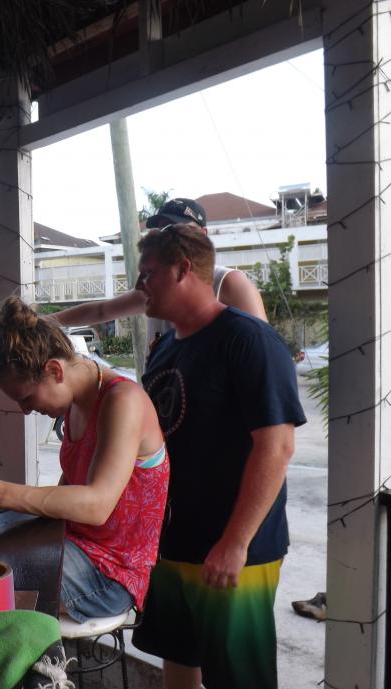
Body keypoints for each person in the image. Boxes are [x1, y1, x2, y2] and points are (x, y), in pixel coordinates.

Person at [129, 224, 306, 689]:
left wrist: (235, 541)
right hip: (173, 545)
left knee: (238, 677)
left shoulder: (248, 339)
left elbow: (277, 446)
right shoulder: (165, 348)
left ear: (182, 269)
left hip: (233, 553)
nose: (140, 285)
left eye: (148, 273)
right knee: (178, 660)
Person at [0, 296, 168, 622]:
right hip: (74, 543)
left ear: (55, 370)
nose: (25, 410)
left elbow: (97, 506)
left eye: (27, 397)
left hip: (111, 573)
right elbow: (66, 493)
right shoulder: (75, 404)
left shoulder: (123, 401)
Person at [51, 197, 267, 346]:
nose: (168, 235)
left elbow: (262, 348)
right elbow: (102, 311)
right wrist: (43, 321)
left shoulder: (230, 282)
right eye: (162, 229)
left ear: (203, 234)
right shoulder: (155, 289)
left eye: (177, 228)